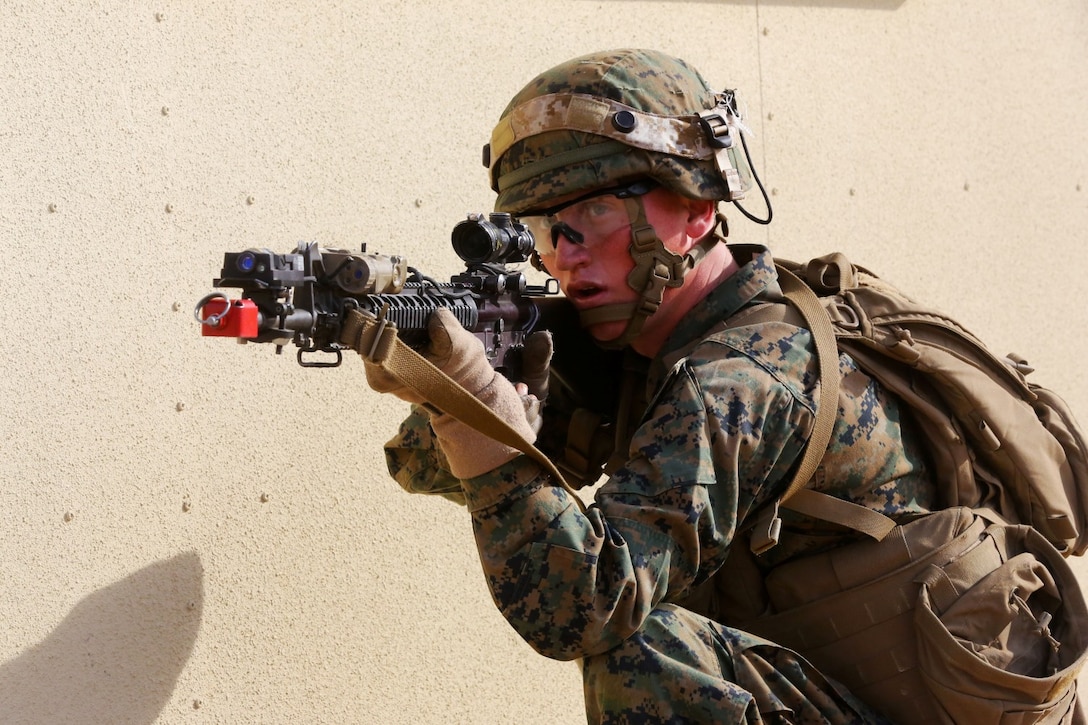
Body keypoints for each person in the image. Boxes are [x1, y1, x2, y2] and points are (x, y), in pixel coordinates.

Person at [356, 49, 969, 723]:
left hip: (907, 706)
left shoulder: (740, 376)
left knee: (641, 647)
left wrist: (481, 427)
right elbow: (423, 469)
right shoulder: (647, 345)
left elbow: (581, 606)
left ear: (696, 210)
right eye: (543, 228)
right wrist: (447, 392)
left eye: (593, 212)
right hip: (840, 686)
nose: (565, 252)